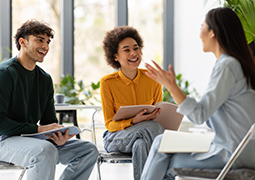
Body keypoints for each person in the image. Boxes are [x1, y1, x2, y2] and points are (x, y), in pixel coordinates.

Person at [140, 7, 255, 180]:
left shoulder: (227, 66)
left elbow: (199, 114)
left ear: (213, 33)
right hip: (239, 150)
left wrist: (172, 87)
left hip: (233, 154)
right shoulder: (236, 64)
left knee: (161, 153)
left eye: (202, 27)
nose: (200, 34)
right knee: (159, 143)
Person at [0, 19, 98, 180]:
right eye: (39, 40)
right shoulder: (4, 73)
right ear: (23, 42)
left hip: (30, 139)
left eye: (48, 42)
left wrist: (57, 135)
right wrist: (37, 130)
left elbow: (48, 121)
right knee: (44, 151)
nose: (46, 46)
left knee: (88, 150)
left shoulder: (44, 79)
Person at [100, 26, 165, 180]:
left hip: (146, 134)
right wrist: (134, 121)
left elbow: (158, 115)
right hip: (116, 137)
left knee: (141, 145)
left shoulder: (153, 79)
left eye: (136, 48)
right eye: (126, 50)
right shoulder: (107, 83)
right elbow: (110, 124)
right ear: (115, 56)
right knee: (153, 129)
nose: (133, 53)